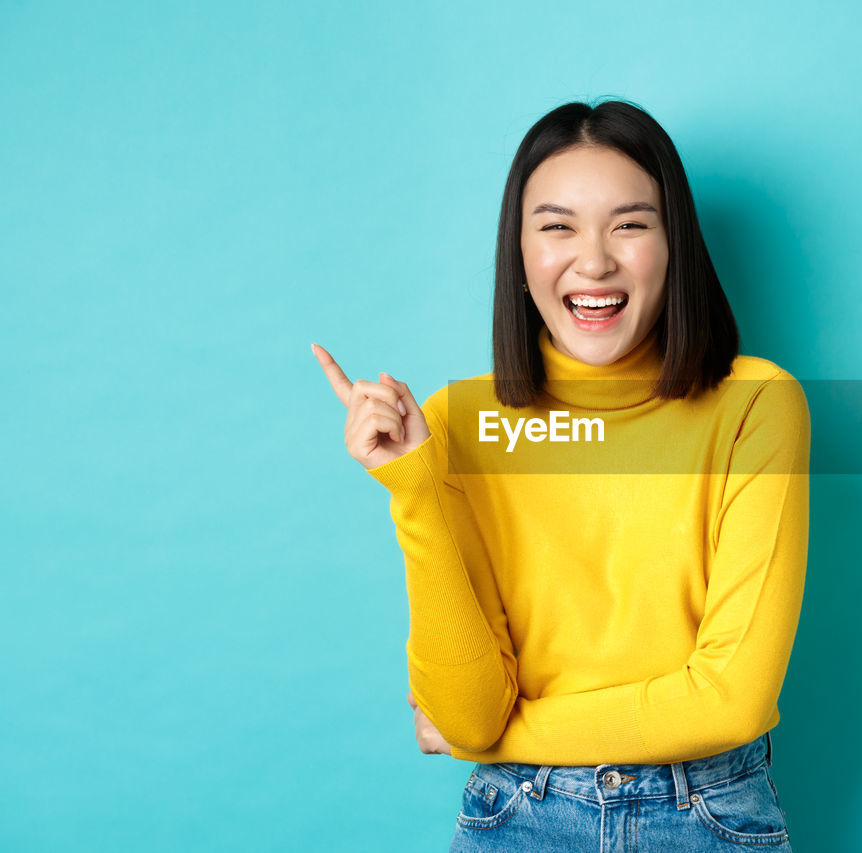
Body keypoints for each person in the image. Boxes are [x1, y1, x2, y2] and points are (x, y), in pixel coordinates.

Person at [313, 99, 809, 851]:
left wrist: (504, 736)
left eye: (630, 223)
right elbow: (469, 709)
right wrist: (413, 485)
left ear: (674, 245)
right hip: (518, 816)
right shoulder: (456, 422)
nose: (594, 259)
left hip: (707, 814)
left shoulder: (755, 405)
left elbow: (730, 700)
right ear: (519, 254)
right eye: (557, 226)